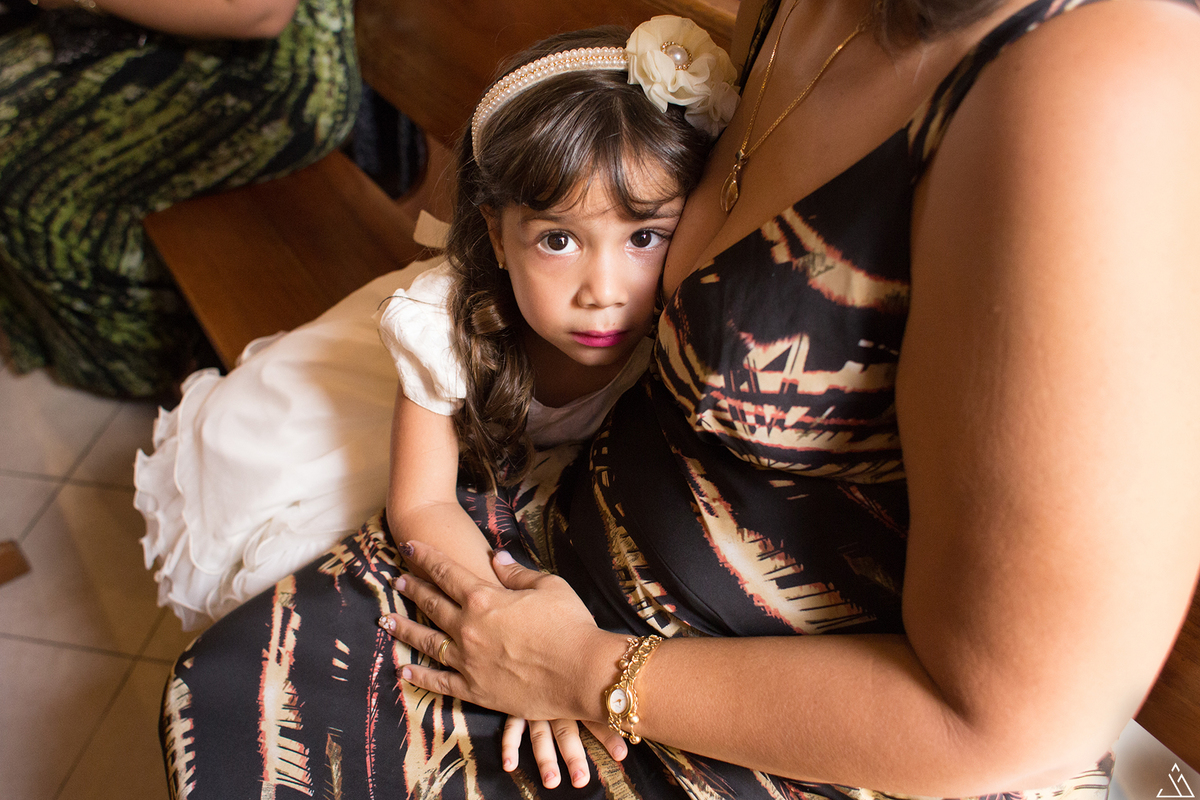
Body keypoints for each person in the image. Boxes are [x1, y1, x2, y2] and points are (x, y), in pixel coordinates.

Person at [158, 0, 1200, 798]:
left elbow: (1009, 723)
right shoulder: (807, 8)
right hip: (564, 560)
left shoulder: (1103, 82)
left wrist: (588, 674)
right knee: (228, 695)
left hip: (765, 731)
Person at [0, 0, 359, 397]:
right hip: (145, 29)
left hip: (270, 60)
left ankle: (148, 364)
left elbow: (260, 11)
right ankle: (120, 347)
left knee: (24, 164)